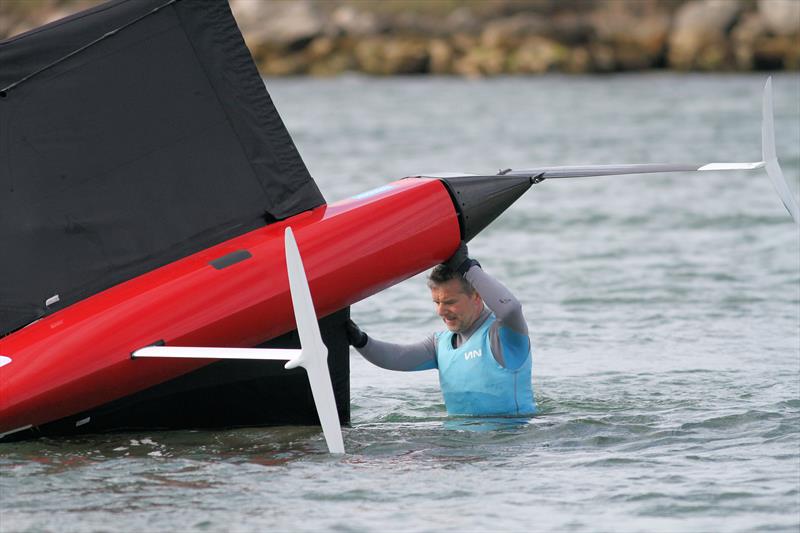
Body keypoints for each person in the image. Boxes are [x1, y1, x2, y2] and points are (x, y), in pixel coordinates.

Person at [345, 242, 536, 417]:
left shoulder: (503, 336)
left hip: (506, 444)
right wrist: (360, 340)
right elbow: (396, 358)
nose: (440, 311)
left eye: (450, 302)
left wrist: (467, 267)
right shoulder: (440, 344)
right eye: (436, 302)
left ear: (477, 296)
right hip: (456, 444)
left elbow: (510, 308)